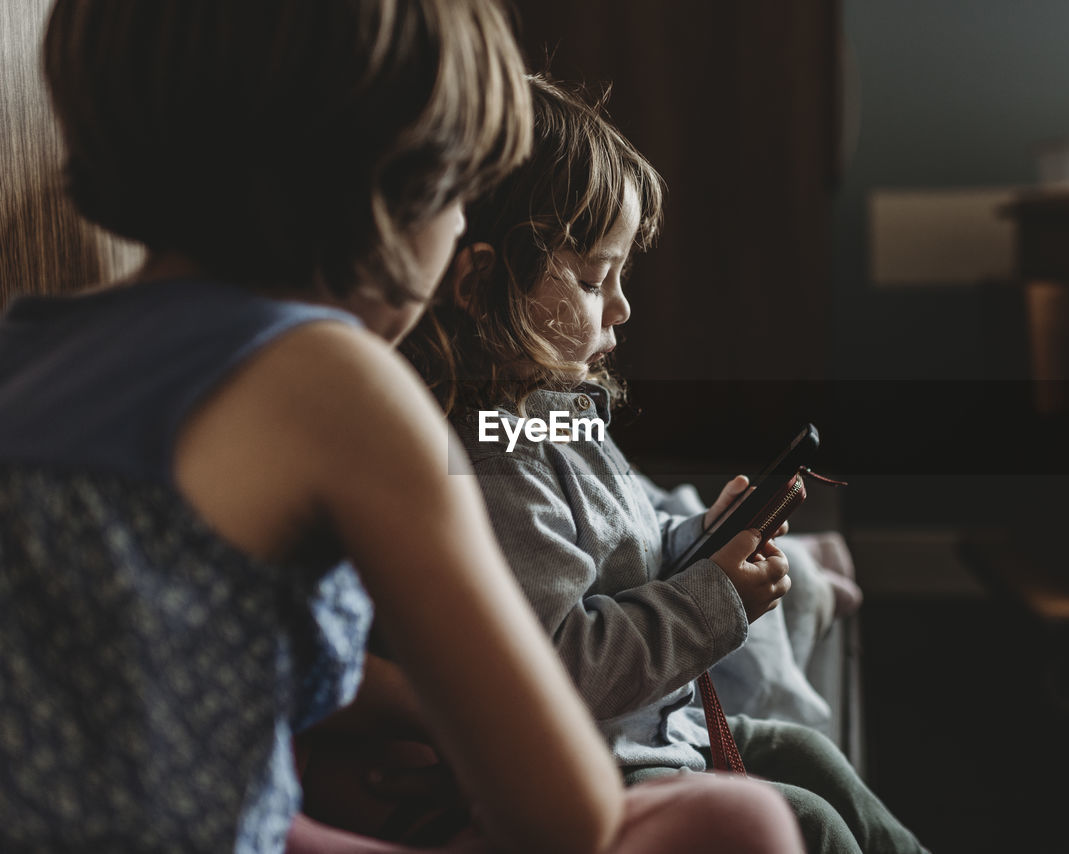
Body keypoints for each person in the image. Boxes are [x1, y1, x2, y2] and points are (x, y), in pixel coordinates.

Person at [0, 3, 805, 853]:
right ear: (383, 191)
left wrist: (430, 710)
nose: (465, 230)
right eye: (463, 191)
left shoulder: (25, 350)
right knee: (737, 819)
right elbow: (563, 816)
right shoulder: (346, 389)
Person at [406, 75, 929, 854]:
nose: (620, 308)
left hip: (650, 734)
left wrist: (697, 540)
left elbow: (620, 558)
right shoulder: (490, 459)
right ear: (481, 283)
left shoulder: (552, 418)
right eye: (590, 280)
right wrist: (710, 600)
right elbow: (559, 668)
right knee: (808, 824)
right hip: (592, 766)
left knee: (808, 756)